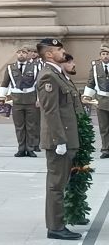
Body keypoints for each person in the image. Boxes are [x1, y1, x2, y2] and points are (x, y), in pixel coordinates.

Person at [36, 37, 83, 241]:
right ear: (48, 54)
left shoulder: (58, 74)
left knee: (59, 183)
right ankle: (55, 227)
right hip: (58, 141)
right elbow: (51, 112)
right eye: (58, 49)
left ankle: (58, 223)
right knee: (56, 185)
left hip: (66, 137)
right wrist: (60, 140)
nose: (62, 51)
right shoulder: (48, 76)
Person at [0, 45, 41, 157]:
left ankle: (30, 148)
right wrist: (1, 97)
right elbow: (5, 83)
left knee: (31, 126)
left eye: (24, 52)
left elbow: (38, 85)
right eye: (19, 52)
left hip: (31, 99)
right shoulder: (10, 68)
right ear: (16, 54)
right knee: (19, 126)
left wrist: (39, 99)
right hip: (16, 100)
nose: (21, 54)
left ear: (28, 55)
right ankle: (21, 148)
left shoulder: (35, 67)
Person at [83, 44, 109, 159]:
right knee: (104, 127)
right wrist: (87, 96)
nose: (105, 56)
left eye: (107, 54)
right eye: (103, 54)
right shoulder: (95, 67)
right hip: (101, 100)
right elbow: (91, 82)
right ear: (100, 56)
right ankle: (105, 149)